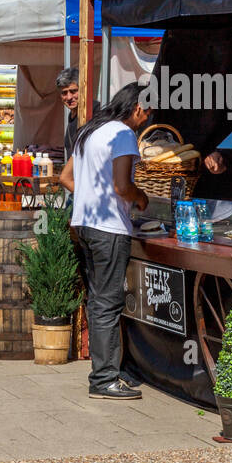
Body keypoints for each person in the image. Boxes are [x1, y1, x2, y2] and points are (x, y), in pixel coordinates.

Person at [59, 82, 150, 400]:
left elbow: (65, 177)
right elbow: (123, 185)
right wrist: (141, 198)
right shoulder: (123, 134)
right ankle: (104, 379)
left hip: (83, 225)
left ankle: (105, 373)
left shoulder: (89, 131)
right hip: (109, 229)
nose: (147, 118)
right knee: (108, 305)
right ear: (138, 108)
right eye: (147, 112)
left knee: (98, 302)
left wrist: (88, 196)